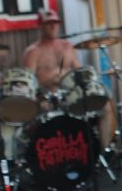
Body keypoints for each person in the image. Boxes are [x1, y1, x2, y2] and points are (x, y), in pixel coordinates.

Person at [23, 8, 112, 148]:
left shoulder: (67, 46)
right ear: (40, 26)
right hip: (49, 98)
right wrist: (40, 99)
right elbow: (28, 83)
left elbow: (79, 71)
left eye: (55, 23)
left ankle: (104, 151)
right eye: (49, 23)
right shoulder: (33, 51)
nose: (53, 26)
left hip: (71, 95)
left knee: (105, 106)